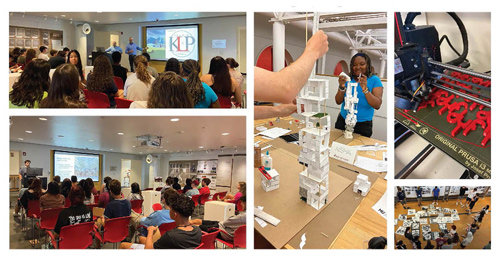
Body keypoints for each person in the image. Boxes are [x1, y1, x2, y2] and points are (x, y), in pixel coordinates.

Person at [119, 193, 202, 249]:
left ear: (175, 214)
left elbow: (149, 251)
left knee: (123, 245)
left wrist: (150, 231)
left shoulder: (170, 236)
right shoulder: (197, 231)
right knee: (141, 239)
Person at [334, 53, 383, 137]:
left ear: (367, 65)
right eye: (354, 65)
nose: (358, 67)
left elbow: (377, 105)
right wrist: (341, 86)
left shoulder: (374, 80)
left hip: (363, 124)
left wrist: (365, 89)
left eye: (362, 64)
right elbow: (338, 101)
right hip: (343, 120)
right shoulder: (347, 79)